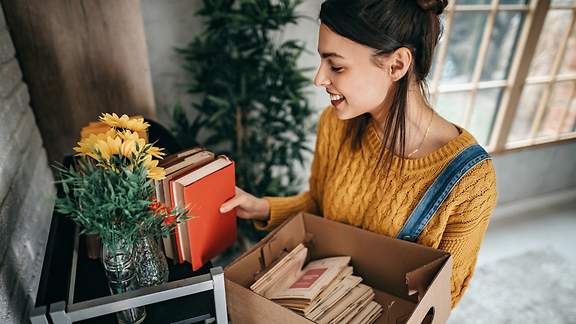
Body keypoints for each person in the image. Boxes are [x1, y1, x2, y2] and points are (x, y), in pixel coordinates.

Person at [220, 0, 497, 308]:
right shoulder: (335, 125)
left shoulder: (471, 181)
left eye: (336, 66)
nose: (319, 79)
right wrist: (260, 208)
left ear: (397, 65)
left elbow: (445, 295)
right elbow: (318, 206)